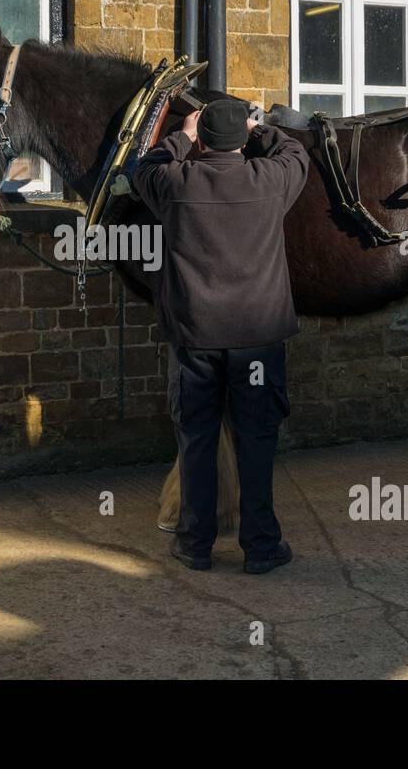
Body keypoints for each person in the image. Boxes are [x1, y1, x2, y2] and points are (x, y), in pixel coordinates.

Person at [131, 98, 309, 574]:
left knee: (197, 439)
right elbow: (296, 153)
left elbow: (144, 164)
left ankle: (194, 543)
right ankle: (261, 546)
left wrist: (183, 136)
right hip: (257, 339)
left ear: (204, 140)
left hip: (197, 338)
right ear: (243, 141)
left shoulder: (174, 183)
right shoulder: (271, 181)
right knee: (257, 439)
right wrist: (259, 130)